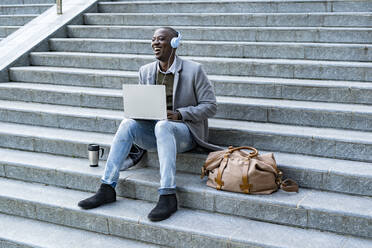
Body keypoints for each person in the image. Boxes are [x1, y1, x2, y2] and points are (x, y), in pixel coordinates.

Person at [78, 27, 220, 221]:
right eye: (153, 39)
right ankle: (107, 187)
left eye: (161, 39)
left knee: (164, 126)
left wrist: (180, 114)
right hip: (157, 131)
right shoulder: (145, 71)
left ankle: (168, 195)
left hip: (186, 133)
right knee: (127, 124)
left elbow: (210, 106)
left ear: (174, 43)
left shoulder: (194, 70)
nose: (155, 43)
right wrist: (139, 113)